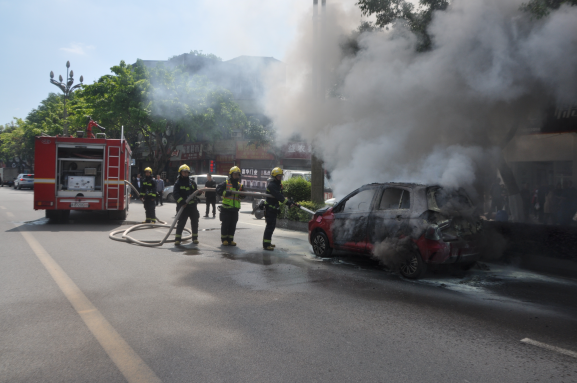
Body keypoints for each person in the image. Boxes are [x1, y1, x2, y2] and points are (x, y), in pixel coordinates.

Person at [262, 167, 299, 251]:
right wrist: (288, 203)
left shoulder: (278, 184)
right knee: (270, 226)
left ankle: (268, 242)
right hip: (270, 209)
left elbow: (281, 196)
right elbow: (279, 196)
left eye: (281, 176)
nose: (280, 177)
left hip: (274, 209)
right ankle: (266, 244)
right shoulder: (272, 185)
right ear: (275, 176)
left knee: (272, 226)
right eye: (279, 176)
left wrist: (289, 202)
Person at [216, 166, 245, 246]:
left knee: (233, 225)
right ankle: (224, 239)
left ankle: (230, 239)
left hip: (235, 209)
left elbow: (243, 195)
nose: (236, 176)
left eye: (238, 175)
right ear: (231, 175)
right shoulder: (225, 183)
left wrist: (242, 195)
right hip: (226, 209)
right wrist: (227, 193)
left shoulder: (240, 186)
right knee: (225, 225)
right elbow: (218, 190)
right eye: (235, 175)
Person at [173, 164, 200, 246]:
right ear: (180, 173)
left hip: (192, 207)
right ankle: (177, 239)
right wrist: (182, 202)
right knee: (181, 223)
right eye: (184, 172)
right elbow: (175, 194)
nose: (185, 174)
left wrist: (199, 192)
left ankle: (195, 238)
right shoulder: (178, 183)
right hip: (183, 207)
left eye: (187, 172)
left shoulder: (192, 182)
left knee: (195, 222)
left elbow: (195, 192)